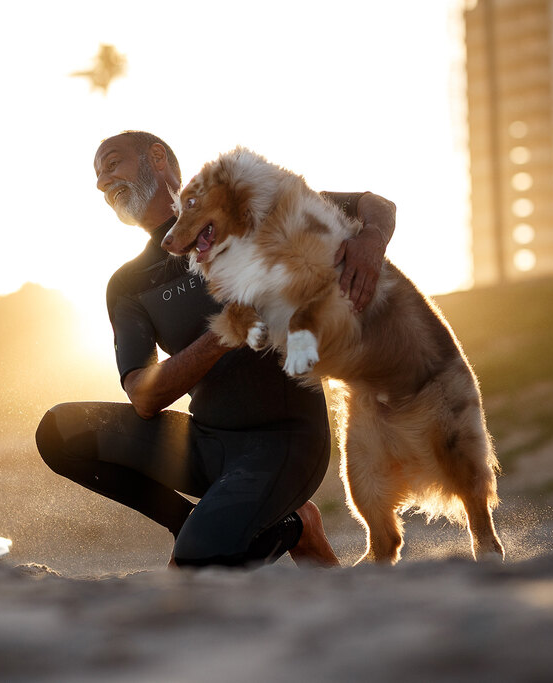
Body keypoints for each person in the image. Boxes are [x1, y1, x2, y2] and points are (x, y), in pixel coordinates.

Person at [36, 131, 396, 568]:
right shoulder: (129, 284)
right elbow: (144, 396)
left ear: (157, 158)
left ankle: (288, 524)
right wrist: (224, 335)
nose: (102, 183)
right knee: (59, 432)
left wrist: (370, 242)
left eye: (112, 164)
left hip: (285, 441)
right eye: (97, 175)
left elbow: (374, 205)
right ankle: (226, 524)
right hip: (205, 443)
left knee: (196, 562)